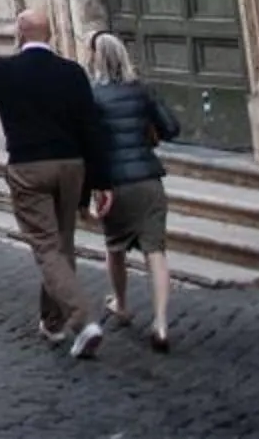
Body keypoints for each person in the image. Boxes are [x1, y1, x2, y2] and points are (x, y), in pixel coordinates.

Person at [0, 10, 115, 358]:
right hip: (71, 165)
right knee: (62, 244)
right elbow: (91, 128)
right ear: (50, 35)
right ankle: (52, 322)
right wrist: (100, 182)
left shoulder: (4, 70)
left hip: (29, 167)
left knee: (46, 247)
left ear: (19, 34)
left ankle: (82, 320)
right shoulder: (72, 72)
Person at [87, 32, 182, 353]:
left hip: (114, 185)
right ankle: (161, 323)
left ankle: (122, 304)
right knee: (156, 252)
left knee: (115, 248)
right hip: (148, 180)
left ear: (95, 60)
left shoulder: (92, 96)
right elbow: (171, 128)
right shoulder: (142, 90)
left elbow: (89, 142)